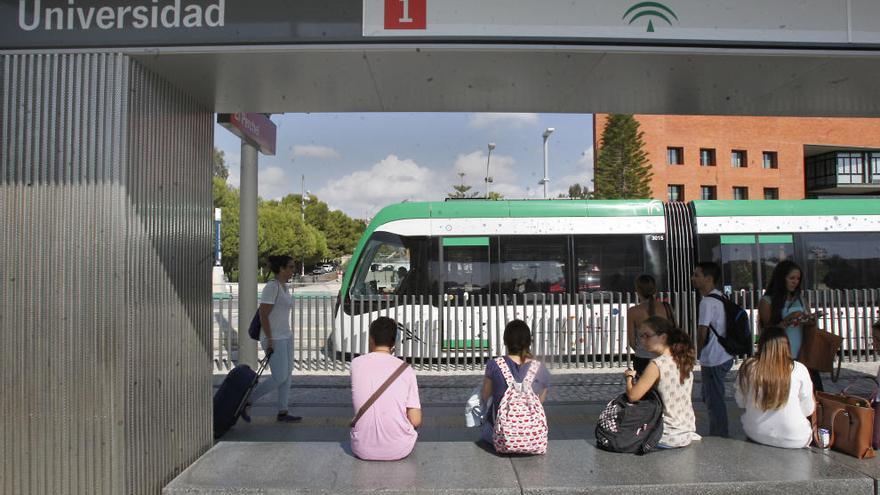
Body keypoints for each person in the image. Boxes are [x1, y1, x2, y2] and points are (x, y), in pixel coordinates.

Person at [350, 317, 421, 461]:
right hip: (400, 449)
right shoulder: (406, 370)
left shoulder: (356, 365)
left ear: (371, 339)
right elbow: (415, 420)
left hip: (361, 449)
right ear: (394, 342)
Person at [624, 316, 700, 448]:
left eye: (647, 335)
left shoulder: (657, 365)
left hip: (665, 434)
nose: (642, 340)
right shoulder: (682, 360)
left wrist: (629, 377)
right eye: (640, 336)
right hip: (687, 431)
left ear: (663, 337)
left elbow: (633, 396)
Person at [735, 326, 814, 448]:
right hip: (794, 438)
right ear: (787, 346)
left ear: (761, 344)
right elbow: (808, 410)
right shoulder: (799, 369)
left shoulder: (748, 367)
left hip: (755, 433)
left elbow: (741, 402)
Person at [245, 255, 302, 423]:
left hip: (286, 336)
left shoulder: (284, 287)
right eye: (290, 267)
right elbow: (263, 315)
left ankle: (283, 411)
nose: (293, 270)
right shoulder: (272, 287)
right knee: (279, 376)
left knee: (288, 375)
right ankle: (248, 401)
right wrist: (269, 339)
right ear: (281, 269)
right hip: (274, 337)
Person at [480, 320, 551, 446]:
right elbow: (539, 403)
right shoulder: (541, 368)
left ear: (506, 341)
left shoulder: (494, 365)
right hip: (532, 436)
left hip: (500, 435)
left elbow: (485, 396)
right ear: (529, 341)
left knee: (485, 424)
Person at [758, 260, 823, 392]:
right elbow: (769, 332)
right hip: (780, 355)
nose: (795, 282)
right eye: (791, 278)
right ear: (782, 278)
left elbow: (811, 326)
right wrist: (787, 320)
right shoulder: (767, 301)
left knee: (813, 393)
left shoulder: (801, 299)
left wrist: (810, 320)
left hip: (804, 355)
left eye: (798, 279)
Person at [691, 261, 733, 437]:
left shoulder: (707, 302)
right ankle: (719, 431)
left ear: (708, 279)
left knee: (714, 400)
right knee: (710, 396)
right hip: (724, 354)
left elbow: (702, 331)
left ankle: (719, 435)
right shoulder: (721, 297)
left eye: (696, 275)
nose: (693, 278)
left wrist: (696, 353)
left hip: (714, 357)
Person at [626, 274, 677, 376]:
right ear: (655, 289)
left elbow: (632, 341)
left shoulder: (633, 312)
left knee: (645, 390)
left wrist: (642, 350)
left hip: (642, 358)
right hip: (665, 357)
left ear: (638, 290)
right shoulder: (666, 307)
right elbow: (675, 332)